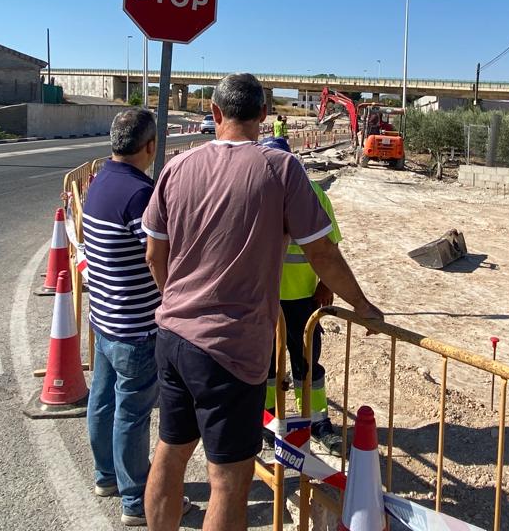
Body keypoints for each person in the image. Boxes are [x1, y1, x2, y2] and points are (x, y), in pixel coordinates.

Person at [143, 73, 383, 531]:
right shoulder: (280, 169)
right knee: (228, 481)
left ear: (215, 113)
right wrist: (363, 306)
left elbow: (155, 253)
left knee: (170, 453)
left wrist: (177, 300)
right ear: (264, 116)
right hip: (229, 350)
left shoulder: (177, 166)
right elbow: (322, 252)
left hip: (172, 337)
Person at [81, 108, 189, 526]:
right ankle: (135, 500)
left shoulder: (99, 182)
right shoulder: (140, 195)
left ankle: (106, 477)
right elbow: (157, 253)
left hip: (105, 318)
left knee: (102, 401)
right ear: (150, 146)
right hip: (136, 328)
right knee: (132, 414)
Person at [260, 136, 343, 455]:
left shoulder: (314, 194)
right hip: (264, 299)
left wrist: (328, 284)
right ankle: (268, 420)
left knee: (307, 364)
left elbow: (330, 247)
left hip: (303, 300)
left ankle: (316, 422)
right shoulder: (257, 192)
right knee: (266, 365)